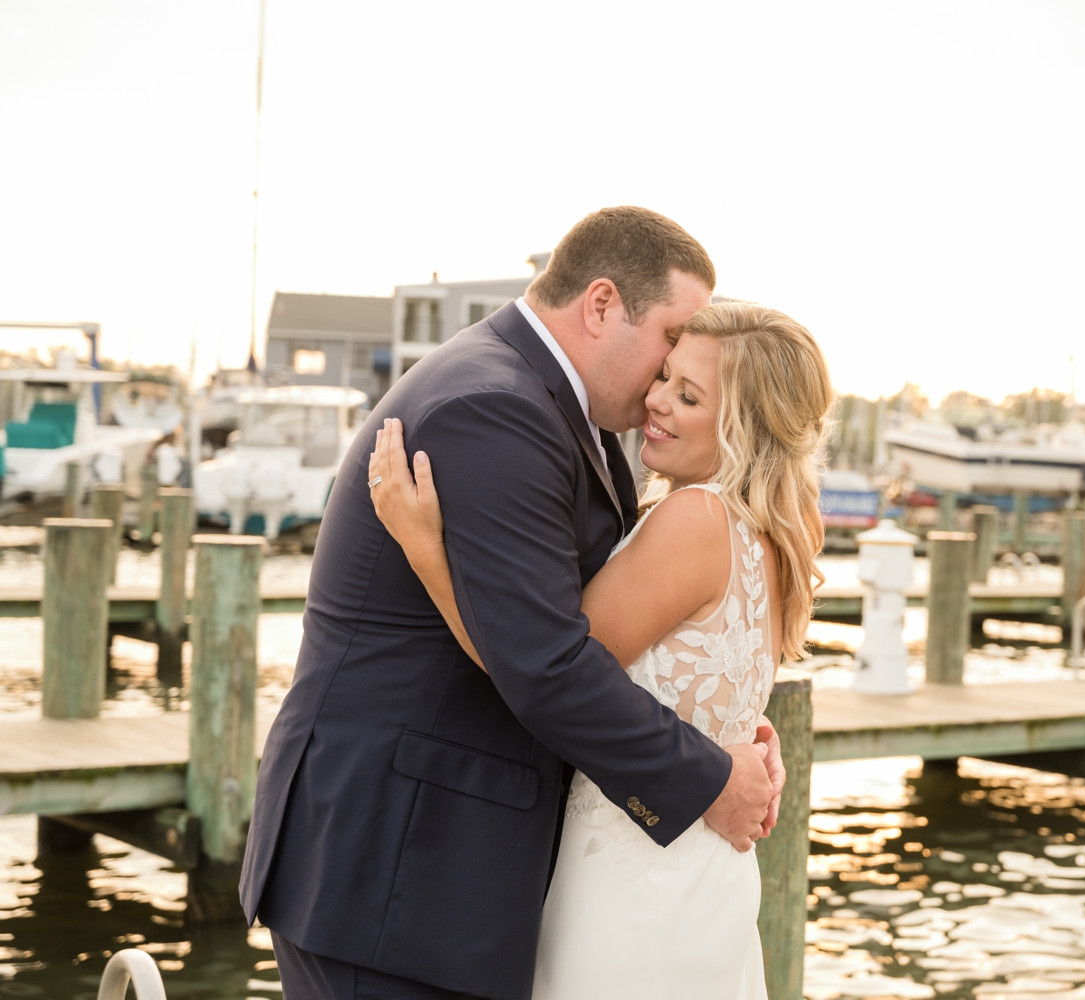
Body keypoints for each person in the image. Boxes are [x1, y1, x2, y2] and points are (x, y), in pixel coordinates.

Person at [240, 208, 787, 1000]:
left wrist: (719, 722)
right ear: (601, 305)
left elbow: (592, 634)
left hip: (445, 875)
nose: (671, 368)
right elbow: (548, 661)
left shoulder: (568, 416)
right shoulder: (493, 408)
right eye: (670, 338)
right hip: (399, 870)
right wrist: (709, 777)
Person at [369, 300, 834, 1000]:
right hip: (701, 874)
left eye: (688, 395)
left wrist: (425, 549)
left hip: (634, 883)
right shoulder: (766, 534)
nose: (655, 401)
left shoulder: (696, 518)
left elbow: (541, 671)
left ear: (744, 425)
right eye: (665, 378)